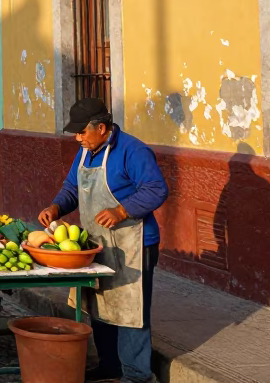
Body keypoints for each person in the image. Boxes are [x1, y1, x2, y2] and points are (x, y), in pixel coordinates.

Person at [38, 98, 168, 383]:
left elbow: (157, 189)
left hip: (134, 245)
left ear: (102, 127)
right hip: (98, 244)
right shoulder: (85, 152)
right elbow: (72, 187)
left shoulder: (133, 151)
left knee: (131, 311)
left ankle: (137, 376)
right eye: (76, 132)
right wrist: (56, 207)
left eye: (82, 131)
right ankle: (111, 366)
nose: (77, 138)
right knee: (100, 306)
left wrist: (122, 210)